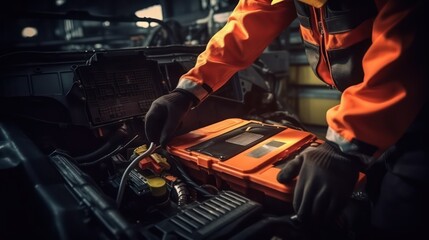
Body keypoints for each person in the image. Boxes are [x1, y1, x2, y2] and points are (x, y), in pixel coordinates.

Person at [145, 0, 428, 238]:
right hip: (372, 106)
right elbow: (243, 27)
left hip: (419, 111)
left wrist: (344, 146)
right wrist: (187, 91)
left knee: (398, 216)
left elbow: (407, 49)